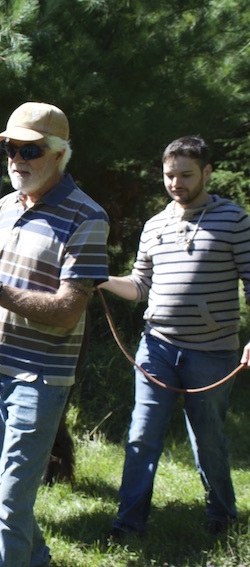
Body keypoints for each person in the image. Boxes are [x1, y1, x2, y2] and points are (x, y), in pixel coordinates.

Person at [0, 102, 109, 566]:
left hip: (37, 379)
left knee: (10, 502)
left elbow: (68, 310)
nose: (15, 160)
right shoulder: (6, 207)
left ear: (57, 155)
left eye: (28, 151)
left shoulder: (87, 217)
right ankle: (38, 560)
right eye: (9, 149)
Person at [103, 135, 250, 539]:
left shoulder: (235, 220)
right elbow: (139, 285)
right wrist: (100, 280)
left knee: (208, 439)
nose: (176, 183)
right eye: (169, 175)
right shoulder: (154, 226)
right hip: (157, 347)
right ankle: (128, 524)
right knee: (141, 435)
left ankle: (222, 516)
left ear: (207, 172)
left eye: (185, 175)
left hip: (214, 352)